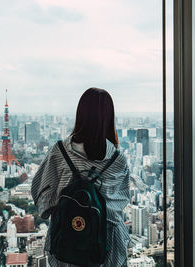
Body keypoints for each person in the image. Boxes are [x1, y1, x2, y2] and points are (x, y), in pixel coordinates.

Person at [31, 87, 130, 267]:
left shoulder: (60, 152)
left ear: (80, 115)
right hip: (106, 248)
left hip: (67, 241)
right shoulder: (117, 160)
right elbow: (119, 206)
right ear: (109, 118)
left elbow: (41, 193)